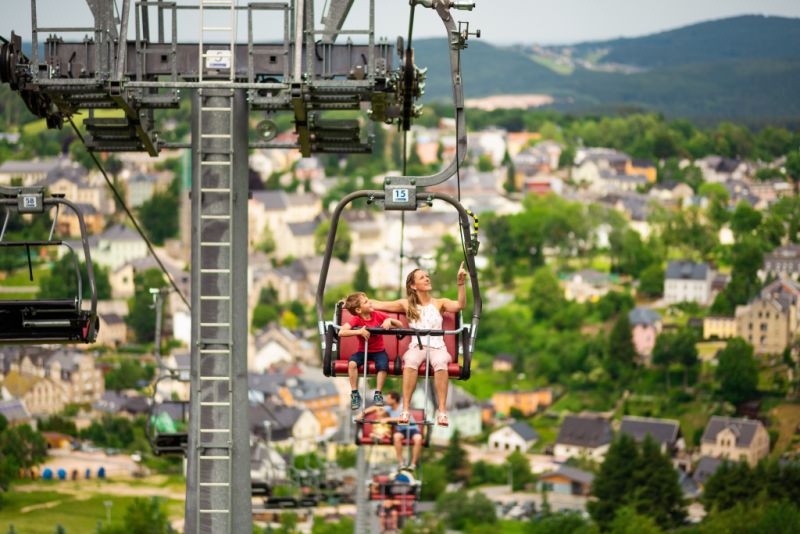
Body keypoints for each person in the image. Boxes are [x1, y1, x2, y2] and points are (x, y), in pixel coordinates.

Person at [372, 263, 467, 426]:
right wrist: (354, 302)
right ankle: (406, 409)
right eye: (422, 277)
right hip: (418, 345)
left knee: (441, 362)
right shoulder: (407, 304)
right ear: (413, 285)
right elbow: (378, 304)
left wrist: (460, 283)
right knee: (410, 361)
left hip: (437, 346)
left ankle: (442, 410)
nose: (427, 278)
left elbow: (460, 305)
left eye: (427, 276)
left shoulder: (440, 303)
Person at [340, 292, 403, 410]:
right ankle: (355, 393)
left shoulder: (377, 315)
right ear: (358, 310)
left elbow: (400, 325)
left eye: (368, 300)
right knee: (352, 363)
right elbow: (341, 332)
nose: (370, 302)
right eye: (366, 302)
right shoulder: (356, 320)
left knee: (383, 366)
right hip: (363, 351)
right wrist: (359, 331)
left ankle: (378, 393)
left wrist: (389, 320)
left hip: (378, 351)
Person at [379, 391, 423, 470]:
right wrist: (382, 413)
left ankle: (413, 464)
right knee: (396, 436)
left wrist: (388, 419)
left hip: (412, 428)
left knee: (418, 438)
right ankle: (401, 463)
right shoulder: (389, 409)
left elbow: (404, 419)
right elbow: (377, 410)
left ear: (394, 400)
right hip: (401, 430)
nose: (386, 400)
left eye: (388, 399)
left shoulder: (403, 407)